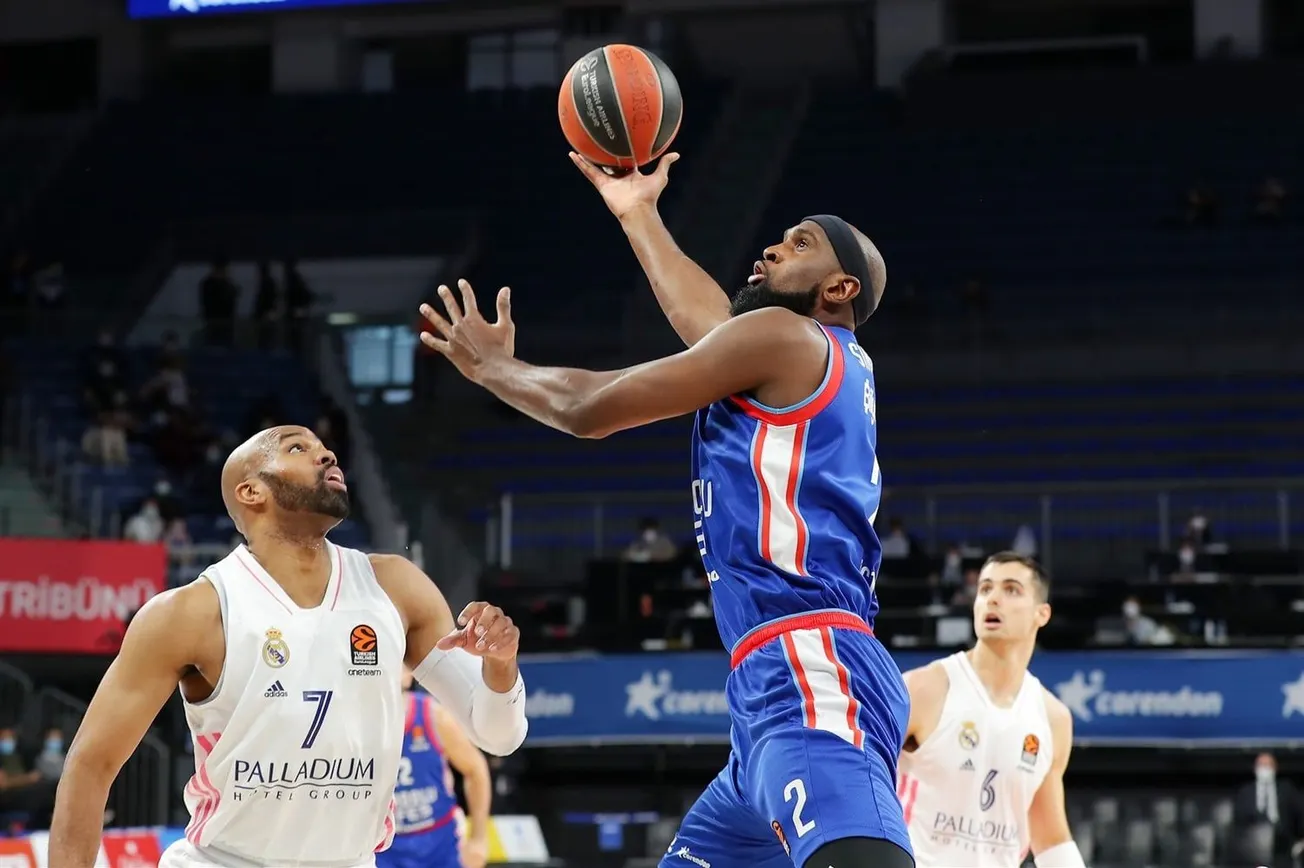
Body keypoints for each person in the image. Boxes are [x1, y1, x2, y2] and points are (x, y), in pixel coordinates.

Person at [419, 152, 910, 868]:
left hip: (808, 667)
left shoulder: (784, 339)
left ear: (839, 288)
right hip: (772, 685)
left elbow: (589, 409)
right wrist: (637, 211)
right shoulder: (800, 351)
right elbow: (703, 319)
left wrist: (494, 369)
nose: (774, 246)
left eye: (800, 243)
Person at [48, 425, 528, 868]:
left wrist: (501, 666)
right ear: (250, 491)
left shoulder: (395, 587)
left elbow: (499, 735)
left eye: (324, 447)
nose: (326, 453)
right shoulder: (191, 612)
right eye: (298, 447)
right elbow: (91, 764)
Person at [897, 553, 1082, 868]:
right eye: (985, 589)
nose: (993, 599)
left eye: (1011, 590)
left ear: (1042, 614)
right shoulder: (923, 689)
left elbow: (1050, 837)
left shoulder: (1053, 719)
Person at [379, 669, 492, 868]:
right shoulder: (361, 725)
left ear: (409, 675)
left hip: (438, 842)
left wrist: (478, 840)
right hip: (384, 846)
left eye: (401, 665)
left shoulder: (434, 716)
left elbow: (476, 770)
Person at [1232, 752, 1304, 867]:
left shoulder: (1287, 790)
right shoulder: (1245, 792)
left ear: (1275, 768)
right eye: (1261, 765)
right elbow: (1238, 823)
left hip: (1282, 847)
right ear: (1255, 768)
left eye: (1268, 765)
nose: (1264, 769)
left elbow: (1300, 816)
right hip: (1253, 848)